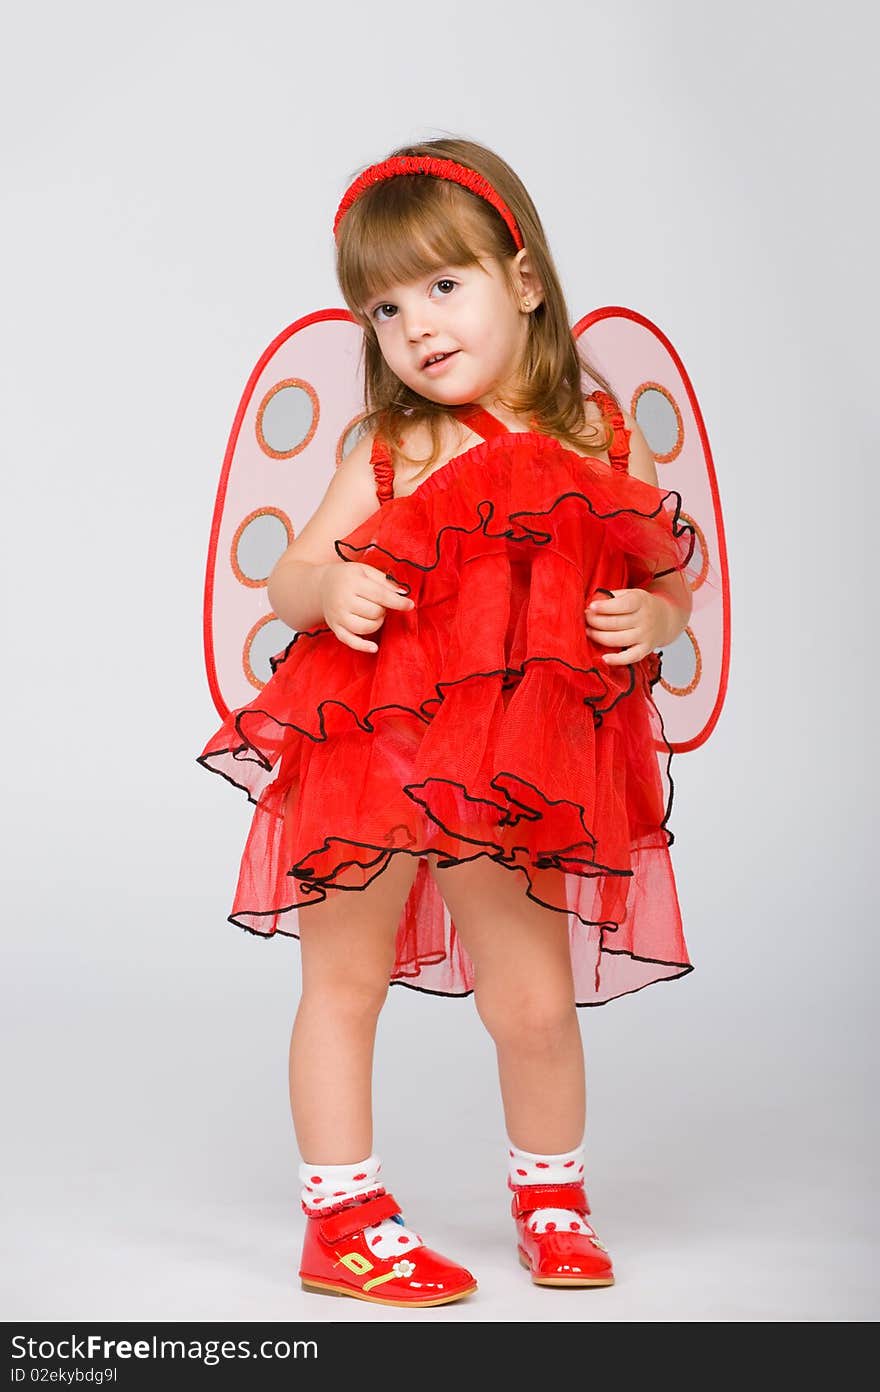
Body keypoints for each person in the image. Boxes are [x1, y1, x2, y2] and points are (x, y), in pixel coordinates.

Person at [198, 137, 697, 1307]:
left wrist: (657, 615)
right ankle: (342, 1213)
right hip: (370, 747)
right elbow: (287, 579)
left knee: (530, 998)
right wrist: (326, 589)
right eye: (381, 307)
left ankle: (551, 1195)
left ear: (522, 281)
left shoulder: (599, 438)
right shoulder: (389, 446)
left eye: (442, 285)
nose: (414, 325)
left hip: (515, 767)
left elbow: (671, 568)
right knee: (344, 980)